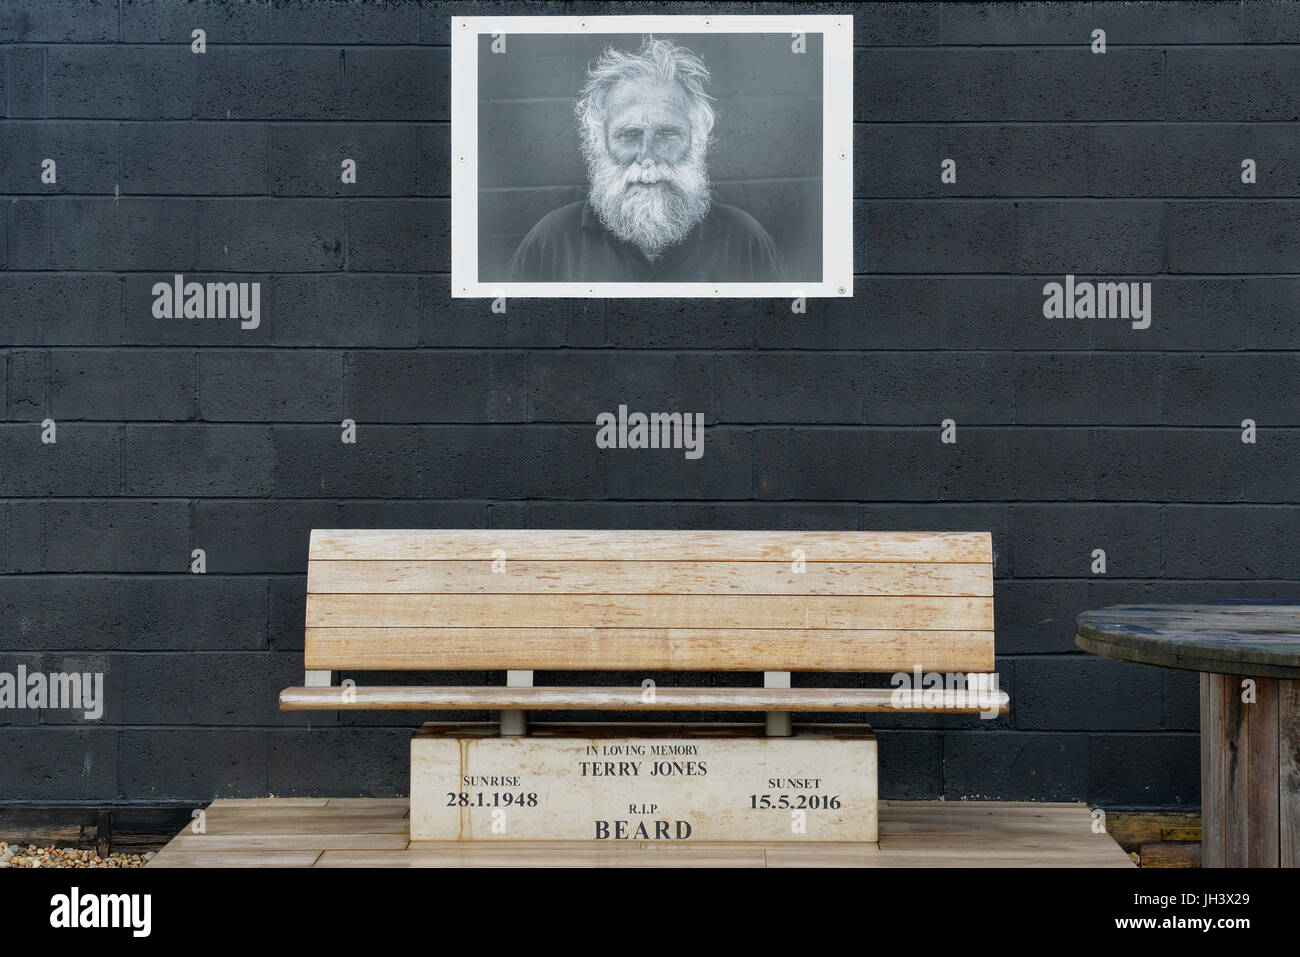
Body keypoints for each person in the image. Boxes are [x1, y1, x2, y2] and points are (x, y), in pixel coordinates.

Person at [508, 37, 789, 283]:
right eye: (629, 134)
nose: (647, 157)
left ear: (697, 140)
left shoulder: (746, 240)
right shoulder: (550, 242)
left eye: (667, 134)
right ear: (599, 142)